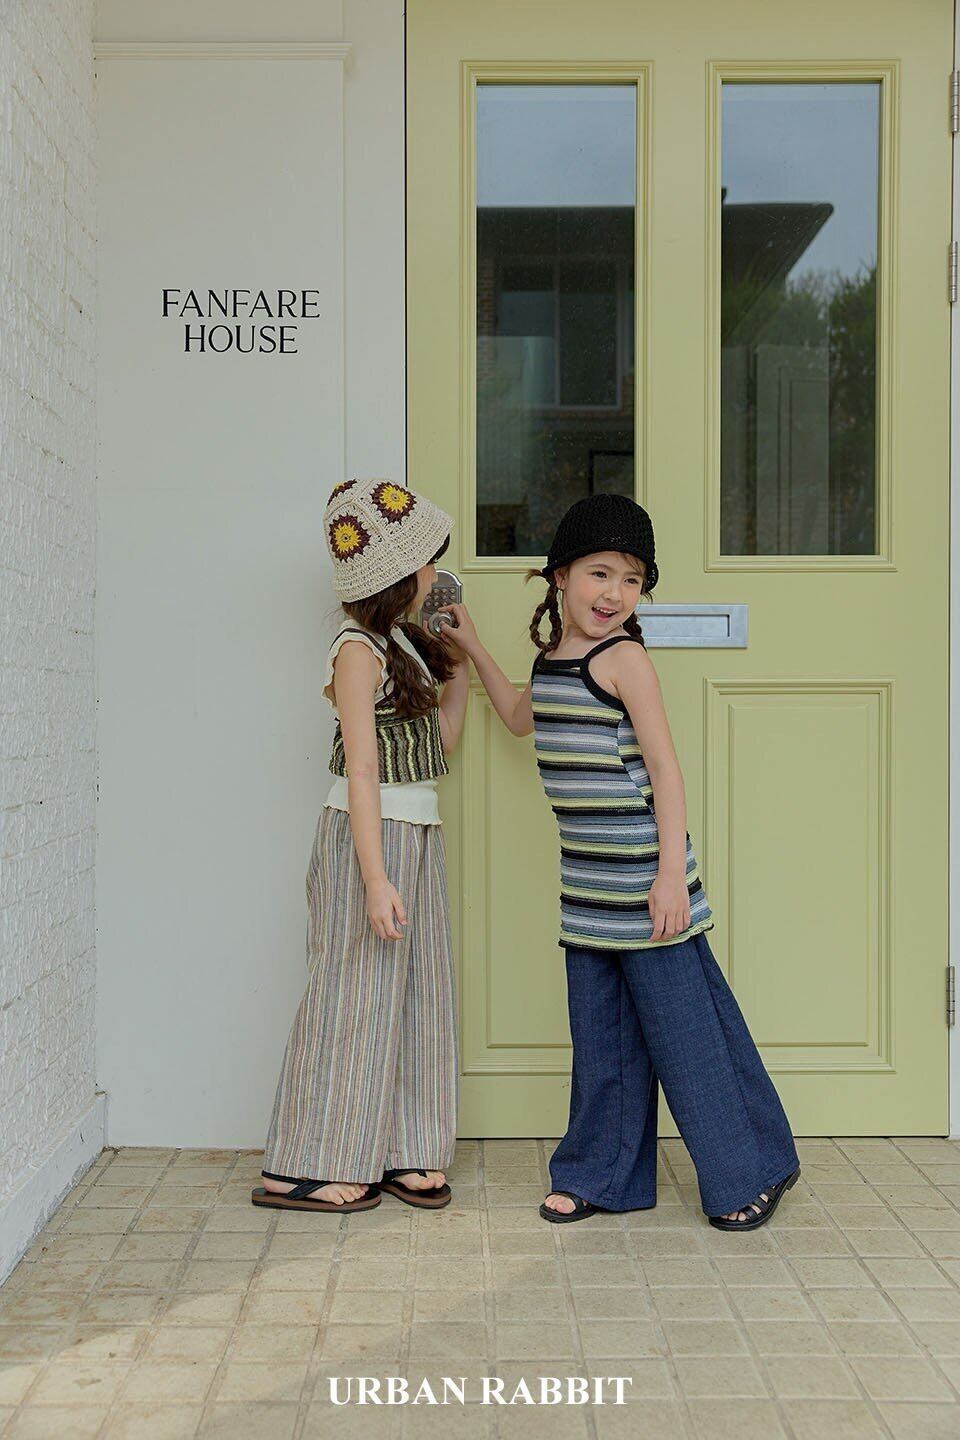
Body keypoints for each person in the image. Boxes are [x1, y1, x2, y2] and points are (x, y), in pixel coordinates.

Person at [442, 493, 800, 1230]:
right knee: (603, 1041)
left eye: (632, 579)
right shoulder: (552, 661)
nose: (614, 593)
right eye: (600, 573)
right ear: (560, 576)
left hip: (645, 882)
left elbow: (665, 770)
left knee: (689, 1036)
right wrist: (473, 646)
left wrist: (670, 876)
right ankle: (601, 1176)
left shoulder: (624, 659)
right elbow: (518, 717)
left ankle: (752, 1171)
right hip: (586, 885)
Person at [251, 477, 468, 1214]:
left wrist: (461, 659)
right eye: (427, 561)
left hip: (416, 834)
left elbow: (441, 744)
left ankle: (404, 1147)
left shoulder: (402, 644)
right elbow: (364, 770)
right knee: (352, 994)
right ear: (397, 574)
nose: (436, 573)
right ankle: (305, 1164)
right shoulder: (355, 652)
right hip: (366, 840)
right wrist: (374, 879)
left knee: (418, 991)